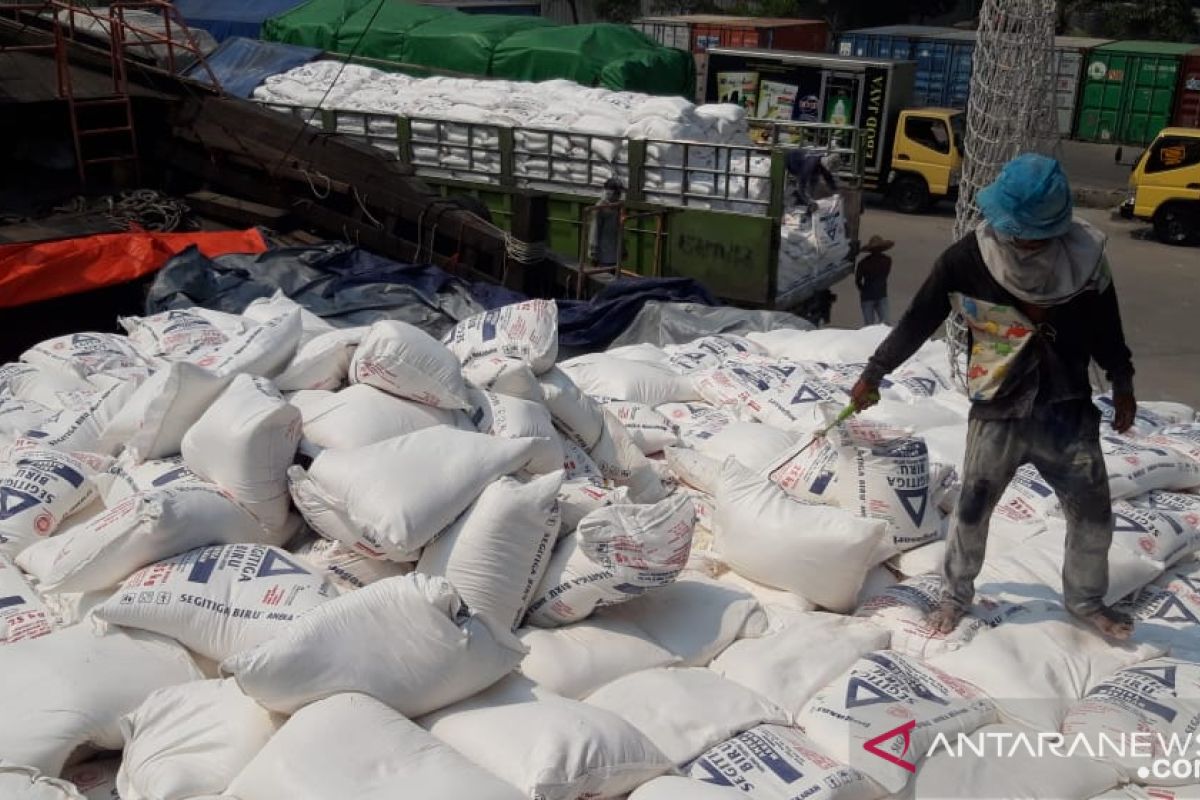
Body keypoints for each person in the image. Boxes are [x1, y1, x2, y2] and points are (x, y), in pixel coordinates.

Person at [849, 153, 1138, 640]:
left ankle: (1087, 600)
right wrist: (875, 372)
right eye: (1013, 228)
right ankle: (955, 595)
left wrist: (1123, 380)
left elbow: (1107, 326)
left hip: (1067, 410)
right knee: (972, 509)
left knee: (1093, 516)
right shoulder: (967, 258)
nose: (1019, 240)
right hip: (999, 407)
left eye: (1031, 233)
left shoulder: (1086, 260)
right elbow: (919, 320)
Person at [587, 177, 624, 271]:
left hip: (614, 254)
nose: (618, 195)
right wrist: (593, 252)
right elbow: (594, 231)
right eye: (617, 193)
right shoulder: (600, 207)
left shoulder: (616, 207)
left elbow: (619, 230)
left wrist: (623, 248)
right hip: (603, 256)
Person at [855, 235, 893, 325]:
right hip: (879, 294)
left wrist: (863, 290)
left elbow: (858, 281)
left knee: (871, 325)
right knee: (884, 324)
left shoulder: (864, 263)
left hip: (871, 296)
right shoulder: (887, 260)